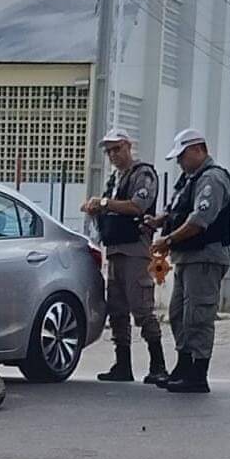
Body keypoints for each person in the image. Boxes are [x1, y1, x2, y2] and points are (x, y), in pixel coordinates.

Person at [146, 128, 230, 394]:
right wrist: (159, 221)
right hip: (187, 257)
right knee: (178, 315)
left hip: (204, 257)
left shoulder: (212, 179)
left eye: (182, 156)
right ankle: (183, 367)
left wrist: (168, 239)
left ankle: (197, 373)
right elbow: (177, 208)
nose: (180, 162)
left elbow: (199, 220)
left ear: (198, 149)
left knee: (198, 316)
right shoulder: (190, 179)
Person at [81, 129, 167, 385]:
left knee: (142, 308)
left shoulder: (143, 174)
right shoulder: (115, 179)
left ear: (128, 146)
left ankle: (158, 364)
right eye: (109, 151)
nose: (113, 155)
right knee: (117, 309)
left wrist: (104, 204)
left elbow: (138, 205)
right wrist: (96, 209)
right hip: (115, 249)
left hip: (135, 249)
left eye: (117, 149)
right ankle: (122, 364)